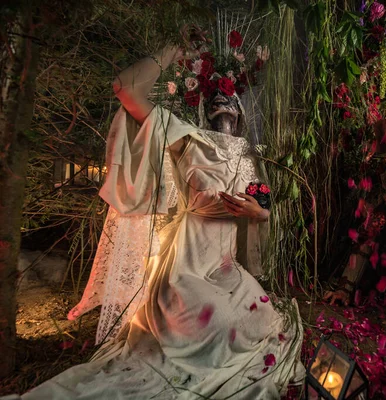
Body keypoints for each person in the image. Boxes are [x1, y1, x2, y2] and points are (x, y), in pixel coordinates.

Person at [3, 41, 304, 400]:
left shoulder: (246, 157)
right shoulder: (186, 139)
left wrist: (258, 213)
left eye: (232, 93)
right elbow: (126, 88)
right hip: (187, 267)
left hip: (225, 269)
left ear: (239, 105)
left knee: (261, 319)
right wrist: (172, 51)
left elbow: (264, 205)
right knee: (221, 324)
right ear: (205, 102)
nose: (226, 103)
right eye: (218, 93)